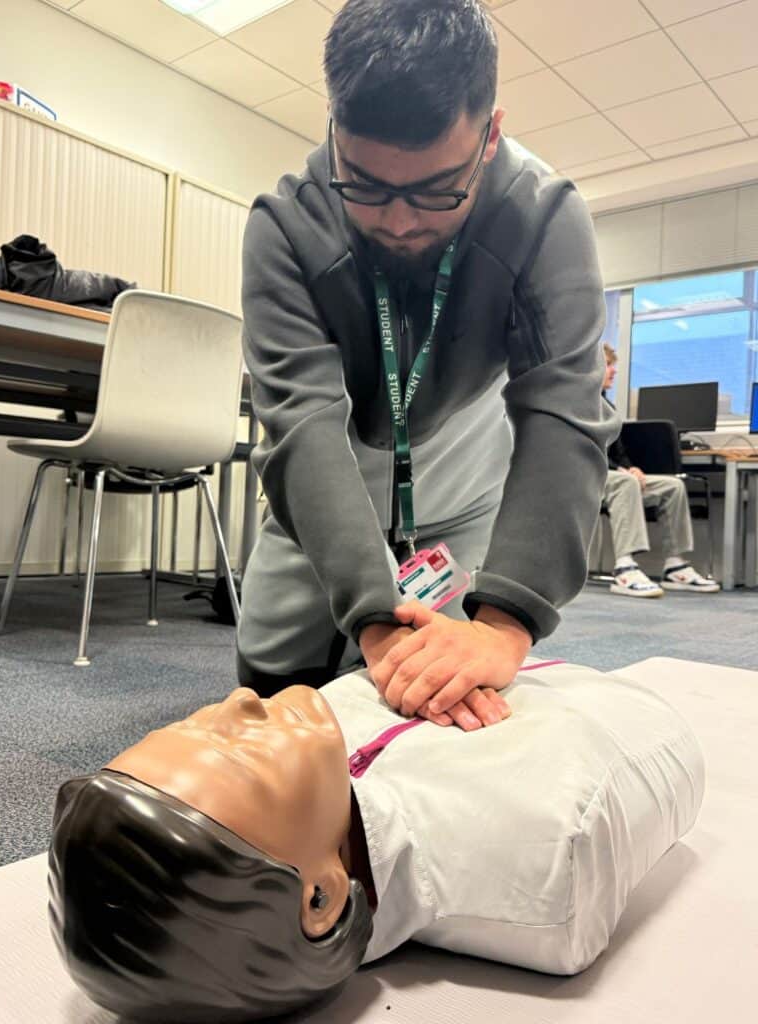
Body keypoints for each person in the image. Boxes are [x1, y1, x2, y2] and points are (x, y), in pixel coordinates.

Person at [236, 0, 618, 731]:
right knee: (270, 706)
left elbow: (564, 417)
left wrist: (505, 625)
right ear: (334, 127)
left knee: (444, 720)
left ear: (490, 135)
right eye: (366, 186)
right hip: (318, 507)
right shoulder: (284, 227)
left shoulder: (544, 216)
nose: (400, 220)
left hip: (462, 502)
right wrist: (375, 621)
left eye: (438, 189)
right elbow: (301, 429)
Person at [49, 658, 703, 1023]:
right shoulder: (558, 836)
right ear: (321, 899)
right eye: (241, 755)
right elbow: (646, 734)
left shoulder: (316, 735)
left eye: (192, 724)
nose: (241, 701)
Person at [601, 344, 719, 597]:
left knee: (672, 486)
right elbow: (586, 451)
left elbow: (617, 451)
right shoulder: (578, 405)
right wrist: (621, 471)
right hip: (587, 476)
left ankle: (675, 565)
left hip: (613, 475)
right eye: (608, 365)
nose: (614, 371)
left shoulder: (607, 408)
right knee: (626, 483)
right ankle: (624, 566)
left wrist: (630, 467)